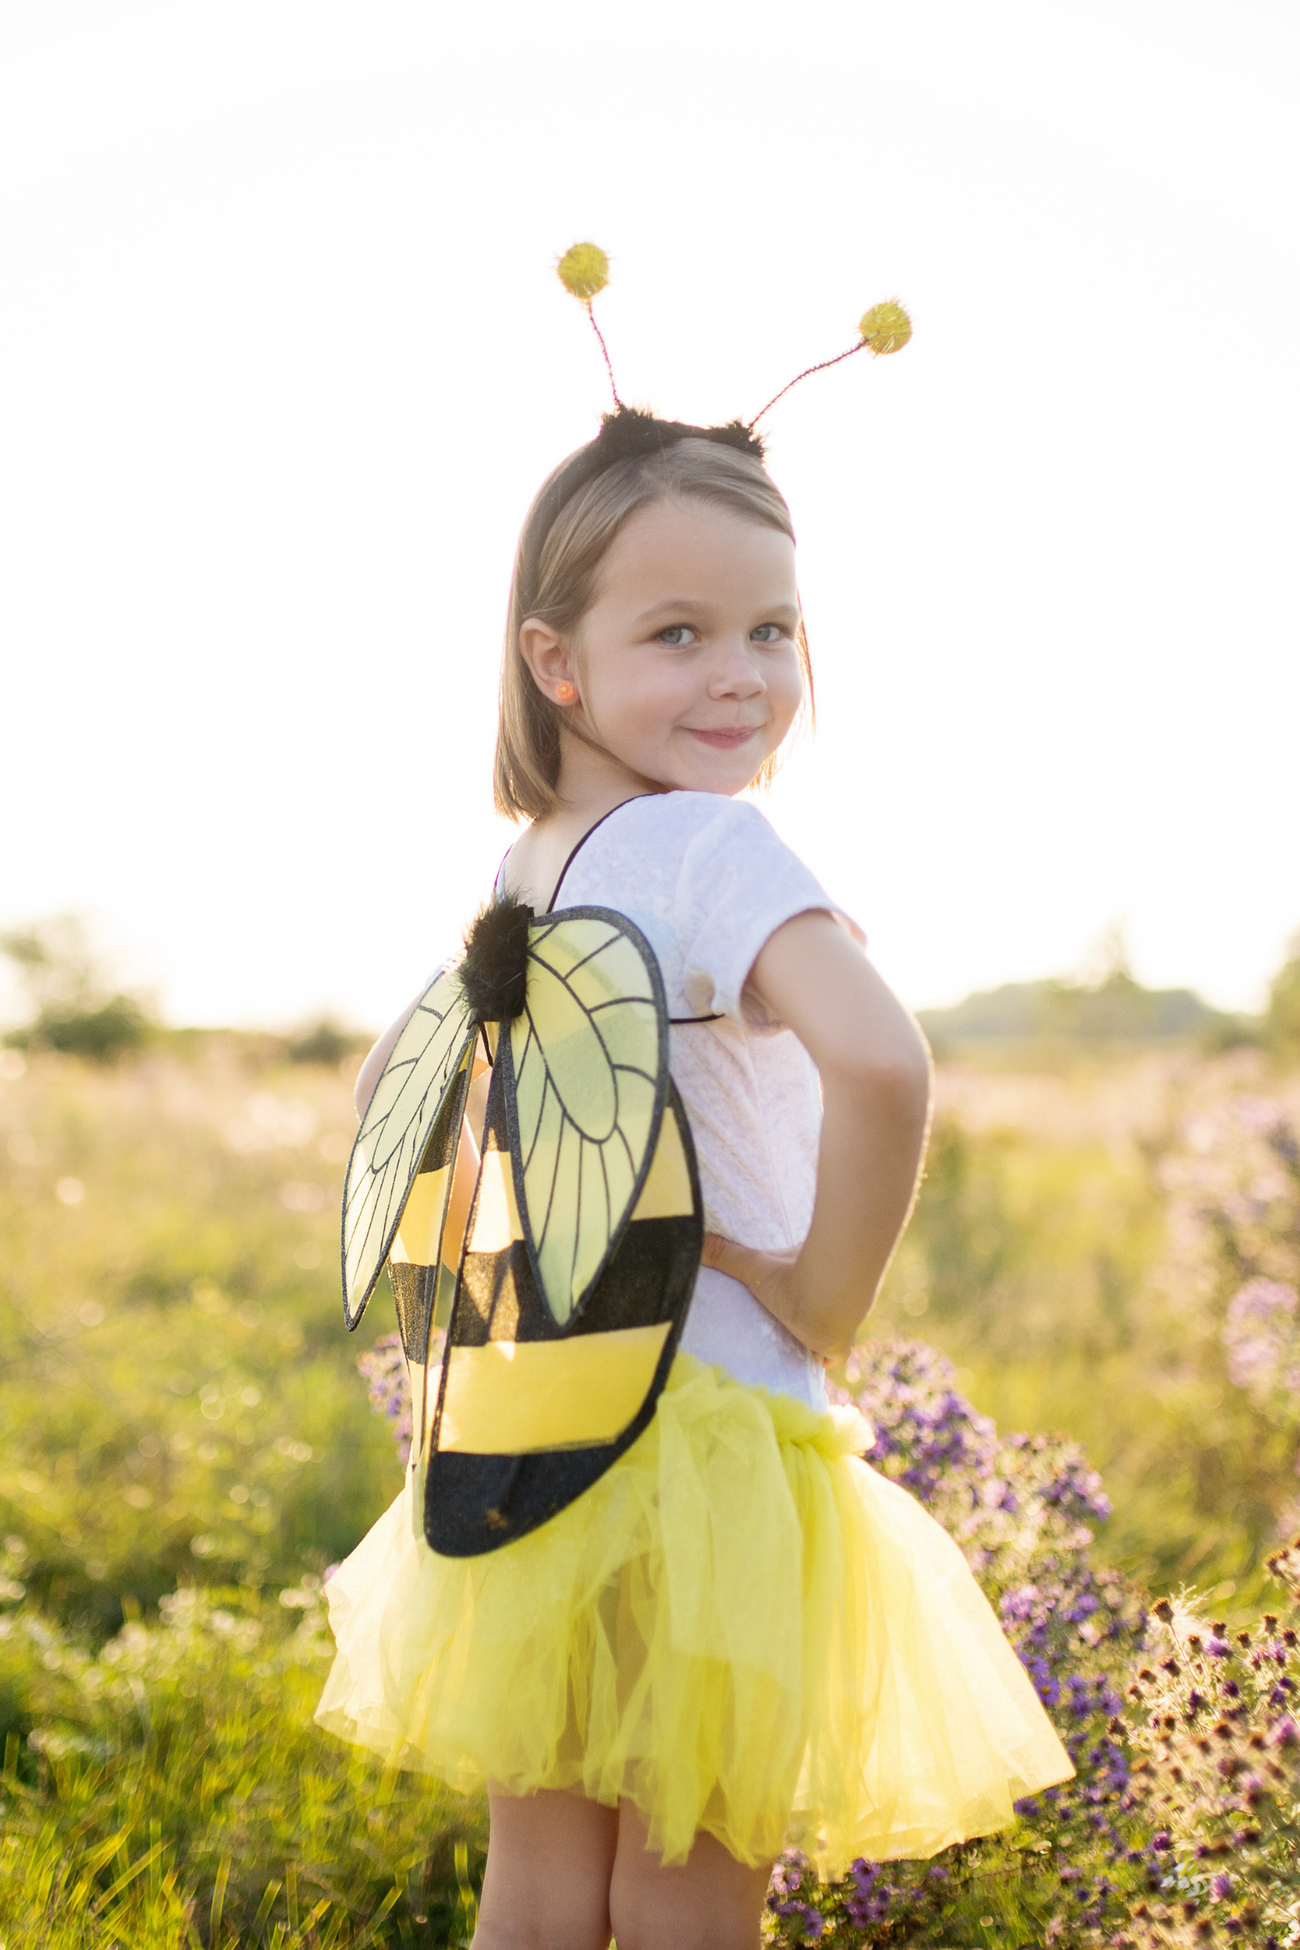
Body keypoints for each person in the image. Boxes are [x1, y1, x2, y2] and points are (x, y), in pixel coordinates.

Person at [316, 424, 1073, 1950]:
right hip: (709, 1437)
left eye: (772, 630)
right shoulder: (708, 846)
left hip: (534, 1422)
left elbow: (385, 1093)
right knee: (686, 1892)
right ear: (557, 659)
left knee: (535, 1891)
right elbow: (883, 1066)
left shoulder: (529, 869)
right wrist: (819, 1291)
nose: (740, 673)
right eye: (680, 632)